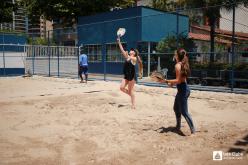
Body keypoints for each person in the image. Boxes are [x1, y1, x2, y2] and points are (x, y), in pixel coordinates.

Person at [160, 48, 195, 135]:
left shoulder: (177, 65)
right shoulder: (182, 64)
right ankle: (178, 126)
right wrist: (170, 84)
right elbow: (180, 80)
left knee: (184, 112)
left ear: (177, 56)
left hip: (183, 90)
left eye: (175, 54)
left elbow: (179, 80)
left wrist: (166, 80)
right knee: (176, 108)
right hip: (183, 89)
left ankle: (193, 131)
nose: (174, 55)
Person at [117, 37, 142, 109]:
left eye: (132, 50)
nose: (131, 50)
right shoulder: (128, 57)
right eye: (130, 50)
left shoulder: (134, 58)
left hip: (132, 77)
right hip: (126, 76)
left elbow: (132, 58)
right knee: (121, 88)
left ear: (134, 53)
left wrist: (128, 55)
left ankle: (133, 105)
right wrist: (119, 42)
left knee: (130, 90)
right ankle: (132, 95)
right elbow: (122, 50)